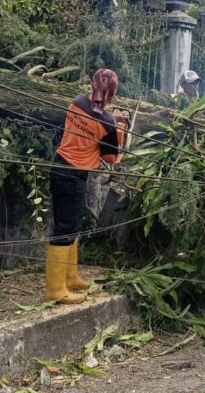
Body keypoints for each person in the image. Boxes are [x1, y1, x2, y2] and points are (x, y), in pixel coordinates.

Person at [46, 68, 129, 304]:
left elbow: (94, 115)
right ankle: (55, 289)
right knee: (64, 228)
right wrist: (120, 128)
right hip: (73, 175)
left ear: (94, 84)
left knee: (71, 224)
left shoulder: (77, 102)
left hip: (60, 168)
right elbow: (112, 158)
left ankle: (70, 276)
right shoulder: (108, 123)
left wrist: (113, 119)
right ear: (112, 92)